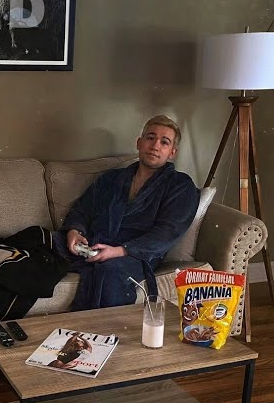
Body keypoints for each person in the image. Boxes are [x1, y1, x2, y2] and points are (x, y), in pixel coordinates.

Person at [57, 114, 198, 310]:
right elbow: (82, 208)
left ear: (172, 153)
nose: (155, 146)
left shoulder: (181, 186)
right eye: (150, 138)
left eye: (164, 142)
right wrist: (74, 231)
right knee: (41, 241)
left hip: (137, 254)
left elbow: (167, 232)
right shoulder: (111, 178)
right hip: (94, 243)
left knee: (109, 271)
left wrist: (120, 250)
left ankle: (98, 327)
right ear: (139, 143)